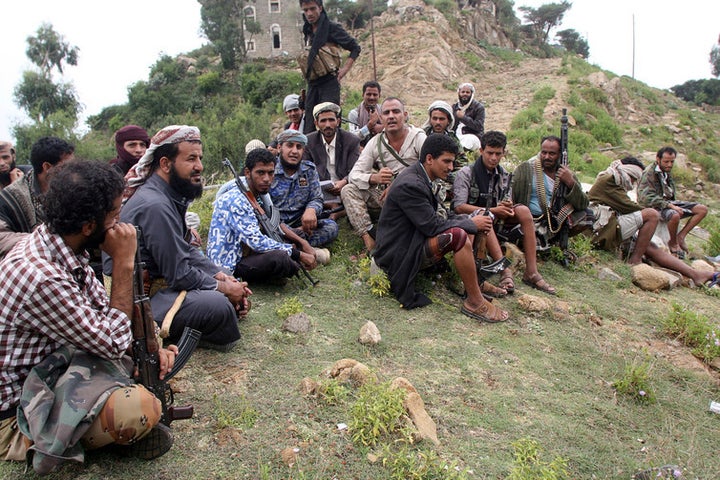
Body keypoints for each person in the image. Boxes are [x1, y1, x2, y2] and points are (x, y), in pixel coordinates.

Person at [0, 161, 178, 471]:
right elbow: (111, 342)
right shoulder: (43, 277)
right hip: (19, 413)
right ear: (87, 226)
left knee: (133, 365)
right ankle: (52, 444)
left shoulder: (61, 246)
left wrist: (150, 345)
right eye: (113, 215)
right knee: (140, 408)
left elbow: (103, 315)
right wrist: (122, 264)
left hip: (50, 372)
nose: (119, 224)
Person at [116, 125, 250, 352]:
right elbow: (179, 273)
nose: (200, 166)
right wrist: (223, 289)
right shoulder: (155, 205)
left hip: (163, 284)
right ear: (166, 164)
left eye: (200, 158)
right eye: (191, 159)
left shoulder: (166, 196)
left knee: (228, 280)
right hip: (139, 298)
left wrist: (222, 277)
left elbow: (185, 251)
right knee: (219, 306)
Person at [374, 133, 509, 322]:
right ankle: (475, 302)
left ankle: (473, 284)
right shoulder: (411, 184)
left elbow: (441, 216)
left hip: (412, 242)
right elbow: (431, 226)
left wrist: (471, 219)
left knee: (470, 220)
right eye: (446, 161)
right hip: (397, 254)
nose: (451, 167)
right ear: (429, 159)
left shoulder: (421, 177)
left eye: (452, 162)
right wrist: (470, 224)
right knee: (458, 235)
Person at [588, 157, 718, 287]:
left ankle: (696, 275)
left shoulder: (615, 179)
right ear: (627, 172)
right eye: (633, 178)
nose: (633, 183)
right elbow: (630, 207)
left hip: (609, 225)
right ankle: (635, 261)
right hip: (599, 229)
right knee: (652, 215)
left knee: (650, 246)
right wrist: (652, 212)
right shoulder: (608, 180)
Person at [453, 131, 556, 295]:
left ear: (503, 153)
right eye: (490, 153)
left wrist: (506, 206)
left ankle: (531, 271)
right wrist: (493, 210)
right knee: (485, 215)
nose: (493, 158)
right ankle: (505, 272)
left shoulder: (504, 175)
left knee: (523, 210)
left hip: (497, 222)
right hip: (472, 221)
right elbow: (459, 206)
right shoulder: (466, 173)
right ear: (481, 151)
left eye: (498, 154)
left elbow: (506, 201)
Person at [208, 148, 319, 284]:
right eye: (260, 173)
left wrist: (301, 243)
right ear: (248, 173)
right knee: (281, 258)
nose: (266, 179)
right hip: (231, 263)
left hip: (249, 251)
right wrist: (298, 254)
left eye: (270, 173)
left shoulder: (259, 194)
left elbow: (274, 224)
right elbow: (256, 241)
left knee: (297, 236)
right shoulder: (236, 199)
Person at [341, 97, 427, 251]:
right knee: (348, 190)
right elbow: (354, 175)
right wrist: (374, 178)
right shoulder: (375, 142)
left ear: (405, 115)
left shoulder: (419, 137)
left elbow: (428, 169)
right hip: (386, 197)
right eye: (386, 113)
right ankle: (369, 239)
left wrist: (397, 184)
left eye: (396, 111)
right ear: (381, 118)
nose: (391, 116)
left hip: (415, 196)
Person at [0, 136, 75, 258]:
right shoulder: (10, 198)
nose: (73, 171)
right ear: (47, 167)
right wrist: (44, 240)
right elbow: (2, 239)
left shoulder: (72, 188)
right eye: (67, 167)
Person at [511, 135, 590, 249]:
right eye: (544, 152)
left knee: (588, 216)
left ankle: (554, 239)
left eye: (552, 154)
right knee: (528, 240)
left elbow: (583, 203)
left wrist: (570, 182)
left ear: (559, 155)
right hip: (531, 220)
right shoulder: (525, 170)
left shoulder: (566, 173)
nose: (546, 157)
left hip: (556, 221)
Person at [299, 0, 360, 134]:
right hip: (313, 84)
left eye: (312, 9)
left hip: (329, 83)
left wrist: (343, 71)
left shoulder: (331, 28)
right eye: (305, 10)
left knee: (329, 123)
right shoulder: (307, 29)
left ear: (320, 8)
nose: (309, 13)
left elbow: (355, 48)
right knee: (309, 125)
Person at [270, 129, 338, 247]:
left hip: (301, 223)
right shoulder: (269, 171)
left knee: (331, 227)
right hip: (276, 224)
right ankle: (296, 246)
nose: (294, 151)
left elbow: (316, 198)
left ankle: (289, 246)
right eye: (290, 146)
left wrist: (311, 210)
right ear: (279, 147)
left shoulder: (309, 170)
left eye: (299, 147)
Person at [637, 146, 708, 258]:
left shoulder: (665, 171)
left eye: (672, 162)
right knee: (674, 215)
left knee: (701, 209)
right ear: (658, 159)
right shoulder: (649, 173)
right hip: (653, 207)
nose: (669, 164)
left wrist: (672, 204)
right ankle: (673, 243)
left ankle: (681, 236)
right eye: (666, 161)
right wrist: (670, 206)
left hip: (667, 203)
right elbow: (645, 198)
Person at [303, 102, 361, 220]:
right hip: (320, 190)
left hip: (345, 187)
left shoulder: (351, 140)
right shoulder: (309, 141)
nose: (328, 124)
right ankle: (335, 208)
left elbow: (356, 170)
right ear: (316, 123)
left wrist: (343, 182)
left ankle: (337, 212)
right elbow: (305, 171)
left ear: (338, 121)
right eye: (323, 121)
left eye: (331, 120)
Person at [422, 100, 466, 170]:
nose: (438, 122)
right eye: (435, 118)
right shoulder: (422, 136)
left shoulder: (452, 138)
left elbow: (462, 163)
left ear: (449, 121)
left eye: (441, 119)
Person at [347, 81, 383, 146]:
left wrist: (383, 127)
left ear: (379, 96)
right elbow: (352, 138)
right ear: (363, 95)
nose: (372, 97)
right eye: (369, 94)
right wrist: (369, 126)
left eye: (375, 95)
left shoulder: (384, 111)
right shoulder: (354, 114)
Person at [451, 82, 484, 151]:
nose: (465, 94)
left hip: (473, 137)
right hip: (456, 136)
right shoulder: (454, 107)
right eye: (462, 92)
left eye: (467, 92)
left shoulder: (478, 107)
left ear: (471, 94)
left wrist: (464, 118)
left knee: (469, 140)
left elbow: (478, 126)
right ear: (459, 93)